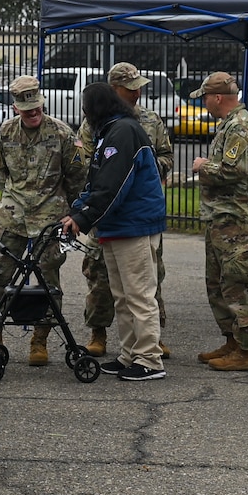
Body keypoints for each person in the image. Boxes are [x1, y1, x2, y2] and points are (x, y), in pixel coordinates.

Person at [64, 82, 167, 382]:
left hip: (133, 225)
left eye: (86, 109)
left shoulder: (122, 133)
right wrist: (77, 211)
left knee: (139, 295)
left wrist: (83, 219)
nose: (84, 114)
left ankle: (149, 359)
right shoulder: (110, 132)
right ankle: (130, 354)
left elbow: (113, 186)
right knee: (122, 296)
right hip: (116, 225)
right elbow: (96, 182)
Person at [0, 75, 86, 367]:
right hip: (13, 215)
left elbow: (77, 176)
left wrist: (73, 213)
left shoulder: (62, 133)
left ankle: (40, 341)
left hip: (50, 215)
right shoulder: (6, 132)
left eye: (37, 107)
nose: (33, 112)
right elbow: (1, 172)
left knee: (49, 279)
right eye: (26, 109)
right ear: (15, 107)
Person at [189, 71, 248, 372]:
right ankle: (233, 342)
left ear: (217, 97)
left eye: (205, 97)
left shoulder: (240, 126)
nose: (204, 103)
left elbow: (234, 170)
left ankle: (247, 352)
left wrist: (202, 166)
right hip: (223, 219)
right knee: (219, 284)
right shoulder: (230, 124)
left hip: (237, 221)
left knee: (238, 285)